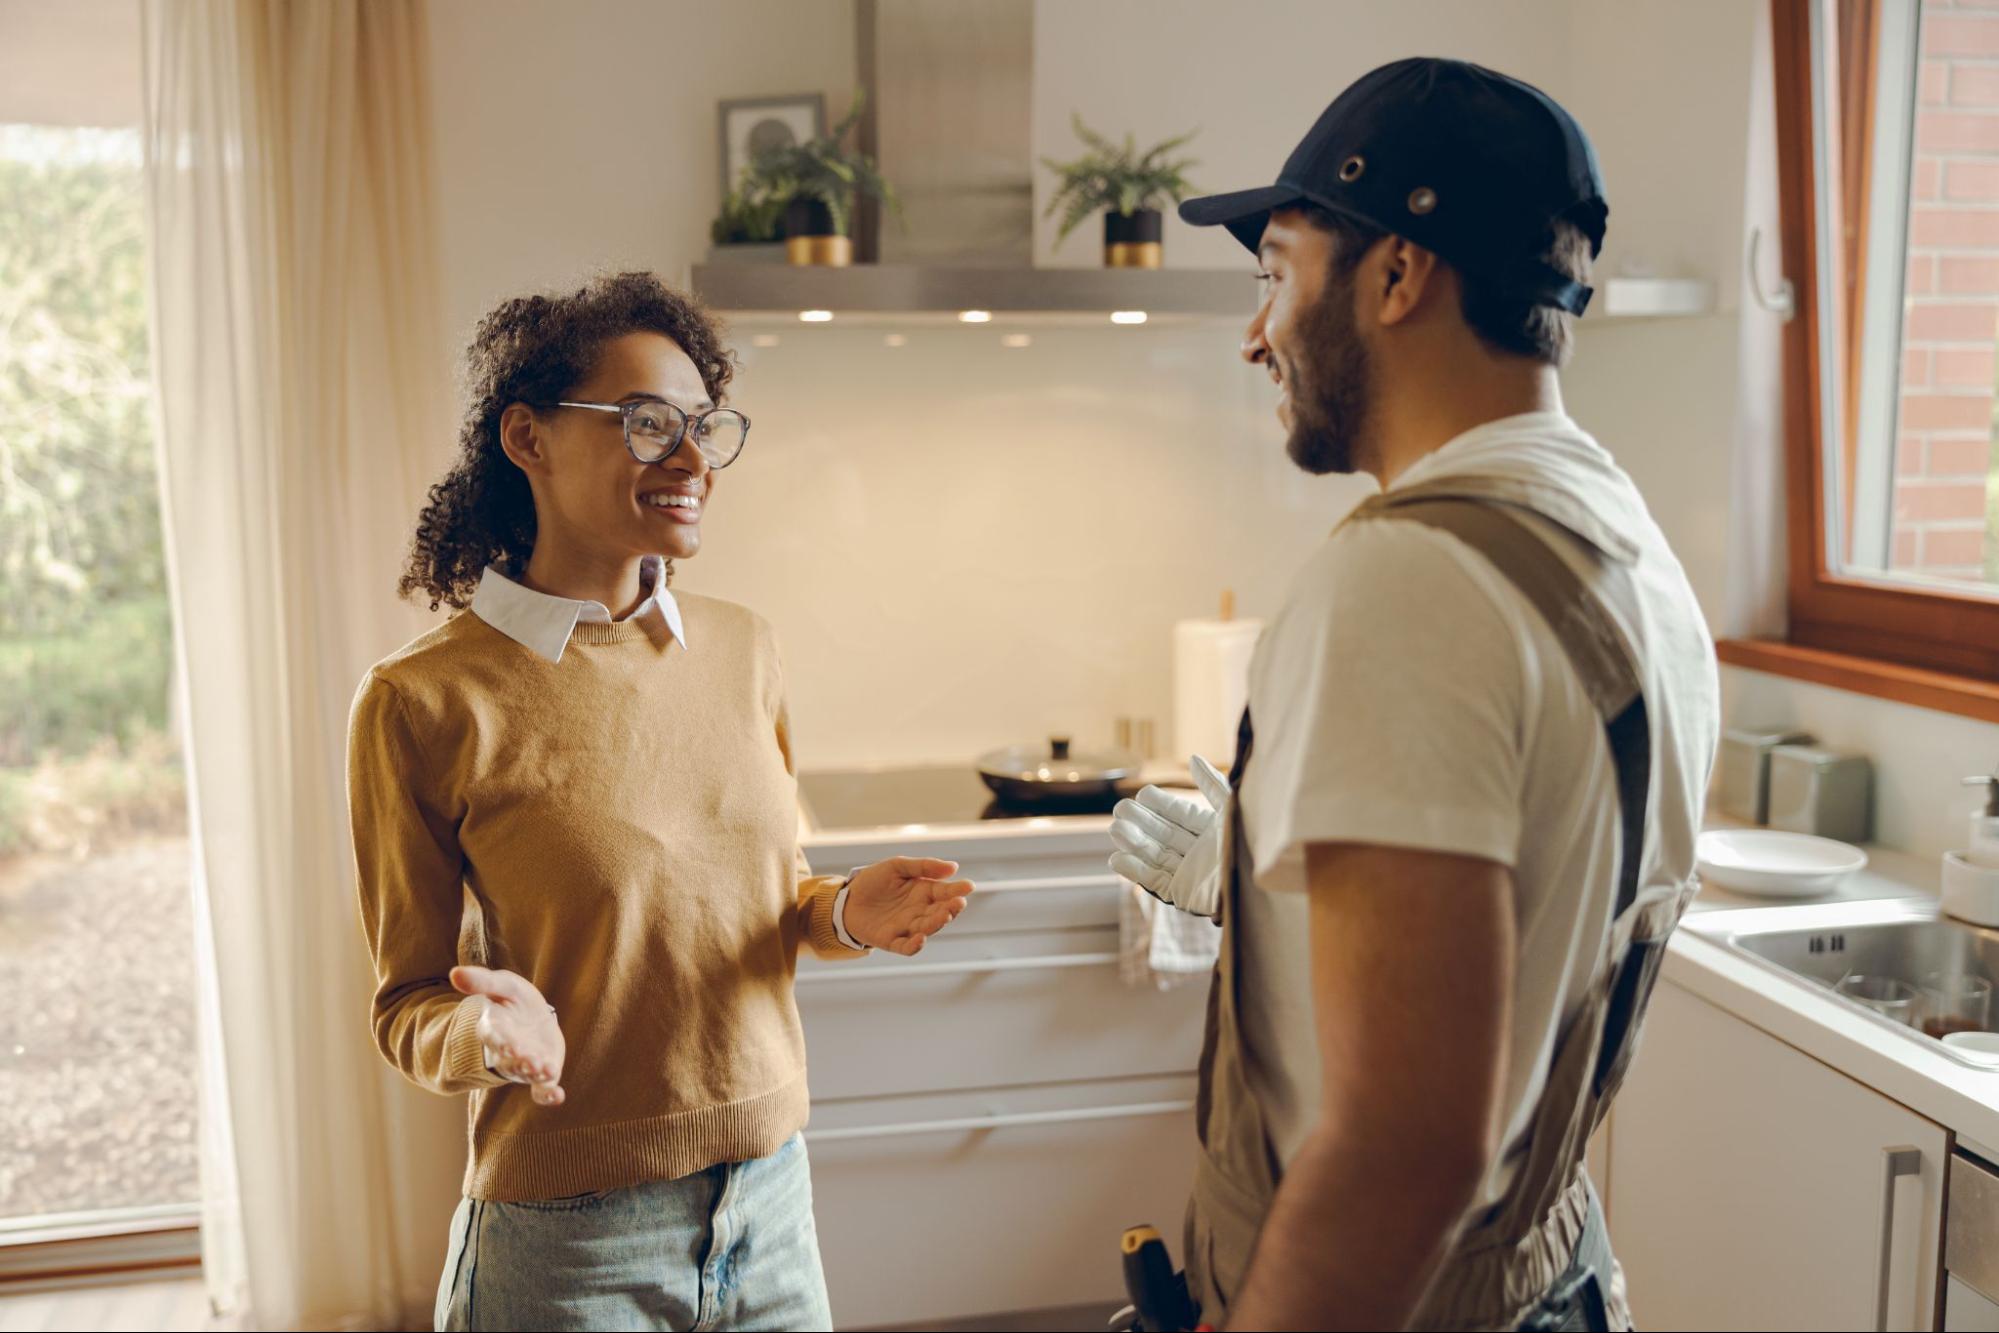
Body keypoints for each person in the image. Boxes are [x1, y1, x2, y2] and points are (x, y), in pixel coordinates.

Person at [1108, 59, 1720, 1331]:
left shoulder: (1402, 582)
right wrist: (1263, 877)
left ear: (1396, 274)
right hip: (1548, 1274)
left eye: (1278, 267)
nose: (1255, 328)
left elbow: (1406, 1144)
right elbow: (1530, 916)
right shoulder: (1627, 550)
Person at [347, 272, 974, 1332]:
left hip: (771, 1204)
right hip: (567, 1241)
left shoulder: (742, 648)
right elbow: (407, 1007)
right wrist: (487, 1033)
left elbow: (760, 896)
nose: (690, 460)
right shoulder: (424, 699)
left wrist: (840, 914)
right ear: (528, 439)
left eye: (704, 427)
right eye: (647, 424)